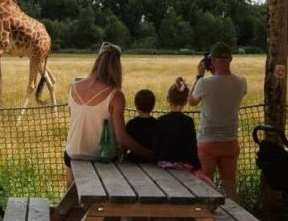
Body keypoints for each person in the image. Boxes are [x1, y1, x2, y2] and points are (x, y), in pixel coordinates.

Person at [64, 42, 152, 187]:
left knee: (72, 202)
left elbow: (74, 121)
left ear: (97, 62)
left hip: (72, 155)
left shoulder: (72, 88)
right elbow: (121, 138)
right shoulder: (115, 95)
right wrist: (148, 153)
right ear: (117, 67)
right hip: (101, 159)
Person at [188, 42, 247, 203]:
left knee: (206, 188)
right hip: (230, 141)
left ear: (213, 61)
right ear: (231, 59)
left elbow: (192, 101)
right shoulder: (241, 82)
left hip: (208, 142)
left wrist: (199, 75)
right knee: (230, 189)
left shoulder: (204, 83)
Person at [154, 77, 201, 170]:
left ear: (168, 99)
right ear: (185, 101)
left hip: (164, 165)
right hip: (184, 165)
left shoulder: (160, 120)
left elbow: (156, 147)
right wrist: (197, 165)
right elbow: (192, 147)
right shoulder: (188, 121)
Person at [125, 89, 157, 163]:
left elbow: (125, 146)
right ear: (153, 106)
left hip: (133, 160)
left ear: (136, 106)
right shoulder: (157, 124)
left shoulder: (131, 124)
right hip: (151, 161)